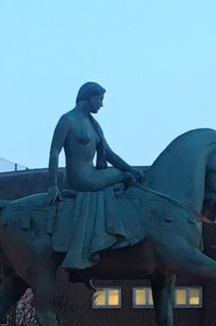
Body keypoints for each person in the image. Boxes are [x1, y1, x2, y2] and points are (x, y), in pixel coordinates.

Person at [48, 82, 145, 271]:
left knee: (128, 176)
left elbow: (108, 154)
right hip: (82, 179)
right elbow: (54, 152)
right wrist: (53, 185)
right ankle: (113, 228)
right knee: (126, 178)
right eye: (99, 99)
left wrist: (131, 169)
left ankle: (109, 220)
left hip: (94, 175)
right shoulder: (68, 120)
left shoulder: (94, 124)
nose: (101, 104)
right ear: (88, 97)